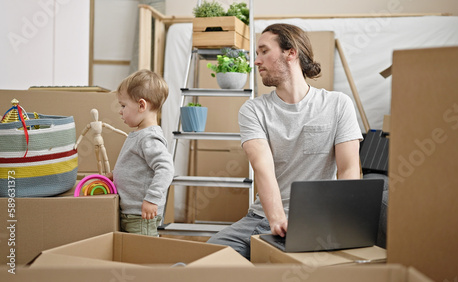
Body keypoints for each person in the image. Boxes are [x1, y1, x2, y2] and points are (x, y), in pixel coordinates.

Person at [207, 23, 363, 259]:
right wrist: (277, 219)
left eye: (264, 51)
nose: (256, 61)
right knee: (203, 259)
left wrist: (340, 223)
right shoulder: (254, 110)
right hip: (262, 218)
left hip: (318, 222)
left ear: (291, 53)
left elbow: (349, 169)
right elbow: (262, 167)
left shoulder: (338, 104)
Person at [109, 69, 174, 236]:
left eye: (123, 105)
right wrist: (115, 175)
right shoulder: (140, 134)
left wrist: (152, 198)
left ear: (141, 105)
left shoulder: (149, 137)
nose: (120, 111)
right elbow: (137, 167)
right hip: (132, 212)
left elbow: (166, 168)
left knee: (142, 254)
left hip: (141, 215)